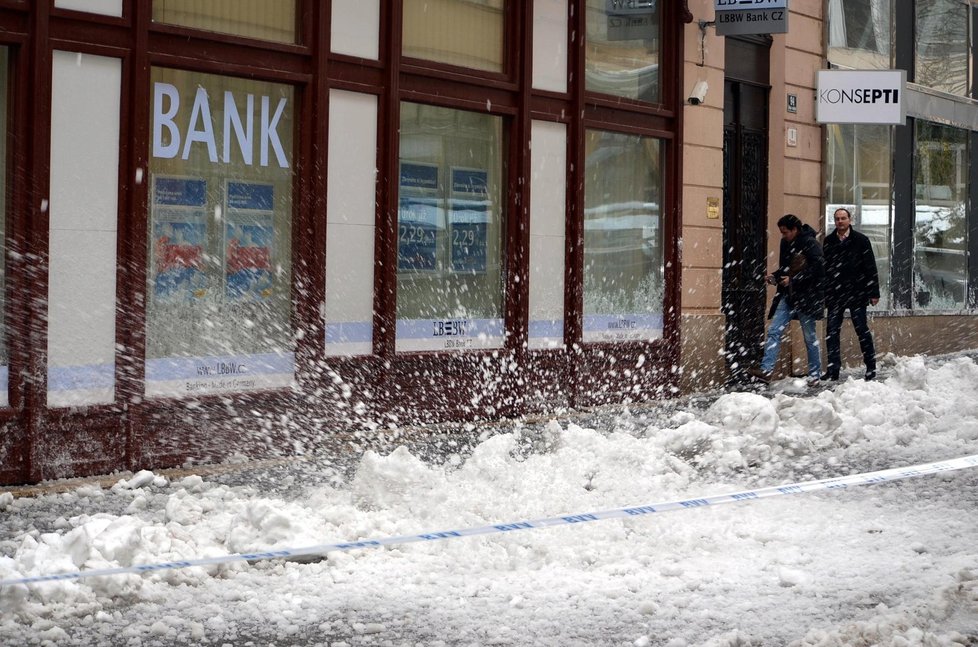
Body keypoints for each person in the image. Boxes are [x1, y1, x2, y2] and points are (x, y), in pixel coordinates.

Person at [749, 214, 825, 387]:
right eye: (782, 233)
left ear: (795, 229)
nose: (783, 236)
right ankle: (766, 371)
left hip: (806, 297)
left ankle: (814, 374)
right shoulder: (786, 243)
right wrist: (775, 276)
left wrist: (794, 280)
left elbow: (819, 268)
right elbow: (786, 268)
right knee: (775, 330)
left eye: (785, 232)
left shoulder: (810, 243)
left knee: (809, 335)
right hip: (788, 295)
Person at [821, 207, 880, 381]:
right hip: (835, 294)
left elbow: (870, 266)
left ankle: (871, 367)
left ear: (849, 220)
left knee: (861, 330)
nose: (840, 222)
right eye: (837, 219)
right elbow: (826, 268)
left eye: (843, 218)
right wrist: (825, 292)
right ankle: (833, 370)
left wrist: (873, 292)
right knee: (832, 332)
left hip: (857, 292)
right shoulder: (829, 241)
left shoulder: (861, 240)